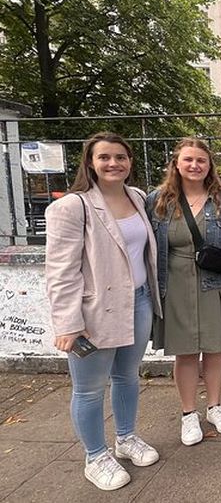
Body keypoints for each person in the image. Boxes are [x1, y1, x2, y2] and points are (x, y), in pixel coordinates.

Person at [45, 132, 162, 491]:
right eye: (105, 157)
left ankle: (125, 438)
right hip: (94, 311)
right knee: (89, 389)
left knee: (128, 376)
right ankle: (95, 455)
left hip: (139, 301)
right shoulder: (72, 206)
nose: (113, 163)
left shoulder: (138, 198)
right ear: (90, 163)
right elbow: (60, 271)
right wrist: (68, 324)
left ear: (130, 162)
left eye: (121, 157)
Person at [147, 138, 221, 447]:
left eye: (201, 161)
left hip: (216, 282)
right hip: (175, 284)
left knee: (215, 348)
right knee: (186, 352)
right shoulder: (158, 199)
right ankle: (188, 413)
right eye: (189, 159)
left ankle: (215, 406)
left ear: (209, 166)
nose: (195, 165)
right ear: (176, 163)